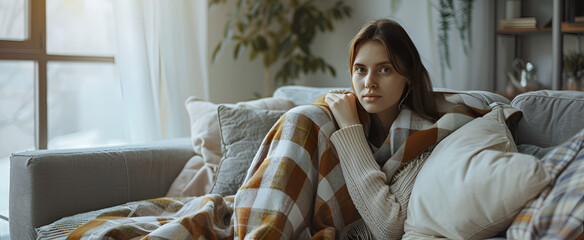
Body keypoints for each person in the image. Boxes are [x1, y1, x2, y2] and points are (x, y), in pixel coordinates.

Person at [233, 18, 485, 240]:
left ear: (408, 76)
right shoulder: (332, 111)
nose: (369, 83)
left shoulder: (425, 138)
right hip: (282, 221)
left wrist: (350, 128)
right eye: (360, 70)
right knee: (302, 118)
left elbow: (387, 228)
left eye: (384, 70)